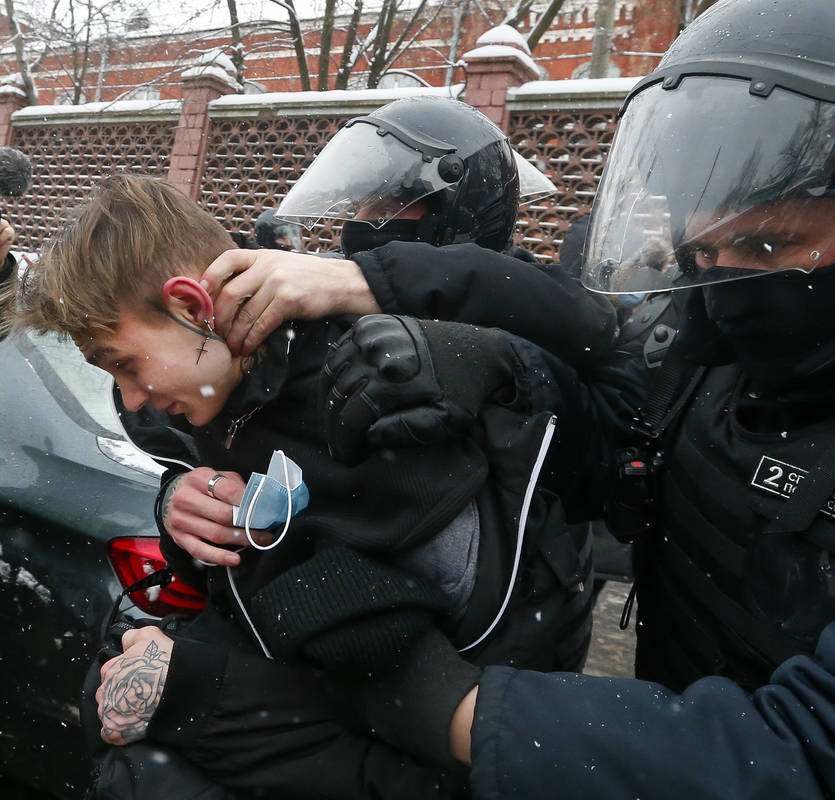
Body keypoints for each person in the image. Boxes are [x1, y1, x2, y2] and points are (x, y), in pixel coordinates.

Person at [97, 2, 835, 798]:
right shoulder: (744, 356)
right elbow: (604, 431)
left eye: (771, 243)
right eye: (705, 248)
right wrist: (210, 495)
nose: (725, 289)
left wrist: (444, 702)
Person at [17, 173, 594, 798]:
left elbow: (603, 341)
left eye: (124, 364)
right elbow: (244, 580)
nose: (131, 399)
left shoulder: (380, 373)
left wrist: (202, 683)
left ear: (191, 305)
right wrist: (183, 514)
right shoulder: (201, 400)